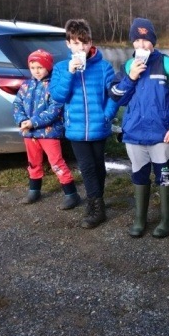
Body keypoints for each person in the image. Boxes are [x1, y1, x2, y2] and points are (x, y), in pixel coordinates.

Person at [108, 17, 169, 238]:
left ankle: (166, 220)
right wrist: (130, 78)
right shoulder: (128, 66)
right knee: (139, 176)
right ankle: (140, 220)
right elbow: (116, 97)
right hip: (134, 134)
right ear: (132, 43)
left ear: (153, 41)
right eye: (137, 41)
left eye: (146, 40)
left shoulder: (167, 64)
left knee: (165, 176)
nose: (142, 45)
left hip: (162, 134)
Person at [49, 19, 116, 229]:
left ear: (91, 43)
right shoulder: (61, 68)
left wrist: (107, 115)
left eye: (85, 43)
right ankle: (97, 207)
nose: (81, 48)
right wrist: (69, 73)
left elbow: (114, 95)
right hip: (76, 128)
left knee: (98, 166)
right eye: (77, 43)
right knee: (86, 167)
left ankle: (96, 200)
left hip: (99, 126)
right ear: (68, 44)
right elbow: (58, 96)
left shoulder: (104, 67)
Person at [12, 49, 81, 209]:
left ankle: (71, 193)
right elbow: (17, 104)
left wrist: (33, 122)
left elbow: (54, 109)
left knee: (56, 162)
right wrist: (22, 120)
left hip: (49, 133)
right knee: (33, 162)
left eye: (40, 67)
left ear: (48, 67)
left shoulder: (53, 86)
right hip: (29, 133)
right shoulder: (26, 85)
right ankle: (34, 190)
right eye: (33, 67)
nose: (36, 71)